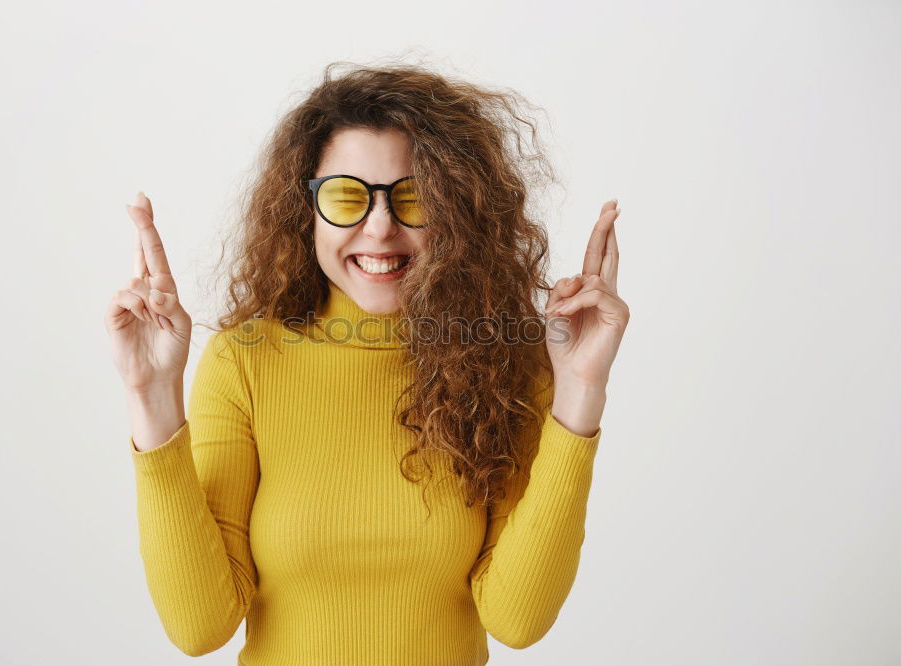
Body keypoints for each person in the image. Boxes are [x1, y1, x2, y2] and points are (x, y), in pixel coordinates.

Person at [105, 61, 629, 664]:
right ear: (306, 211)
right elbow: (200, 627)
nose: (380, 229)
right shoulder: (245, 363)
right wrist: (150, 395)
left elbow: (517, 619)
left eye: (414, 198)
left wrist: (582, 389)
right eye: (347, 197)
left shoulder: (507, 366)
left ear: (457, 213)